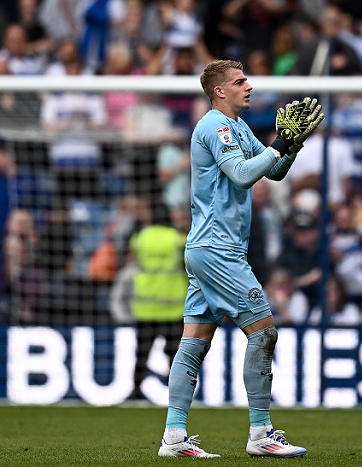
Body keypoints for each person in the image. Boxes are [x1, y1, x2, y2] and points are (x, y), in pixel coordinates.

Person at [156, 59, 322, 458]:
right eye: (239, 81)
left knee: (194, 342)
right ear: (219, 91)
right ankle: (261, 433)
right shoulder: (214, 125)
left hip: (207, 248)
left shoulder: (238, 126)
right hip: (217, 249)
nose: (249, 86)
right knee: (263, 331)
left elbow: (275, 172)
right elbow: (244, 174)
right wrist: (278, 144)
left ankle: (174, 437)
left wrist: (292, 143)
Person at [128, 205, 189, 401]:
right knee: (175, 354)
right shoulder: (178, 239)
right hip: (173, 307)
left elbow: (132, 250)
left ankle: (136, 390)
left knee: (141, 353)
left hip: (145, 307)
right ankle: (179, 394)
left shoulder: (141, 238)